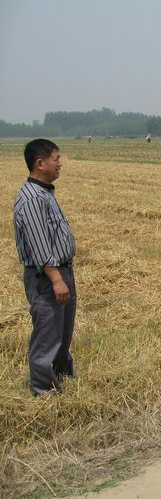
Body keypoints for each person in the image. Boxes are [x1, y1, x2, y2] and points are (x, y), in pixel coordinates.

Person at [13, 139, 77, 396]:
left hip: (60, 271)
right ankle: (43, 390)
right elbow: (39, 244)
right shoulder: (32, 199)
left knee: (62, 330)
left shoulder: (44, 193)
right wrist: (56, 278)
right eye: (56, 159)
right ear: (40, 163)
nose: (60, 163)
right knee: (48, 333)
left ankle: (62, 374)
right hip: (47, 277)